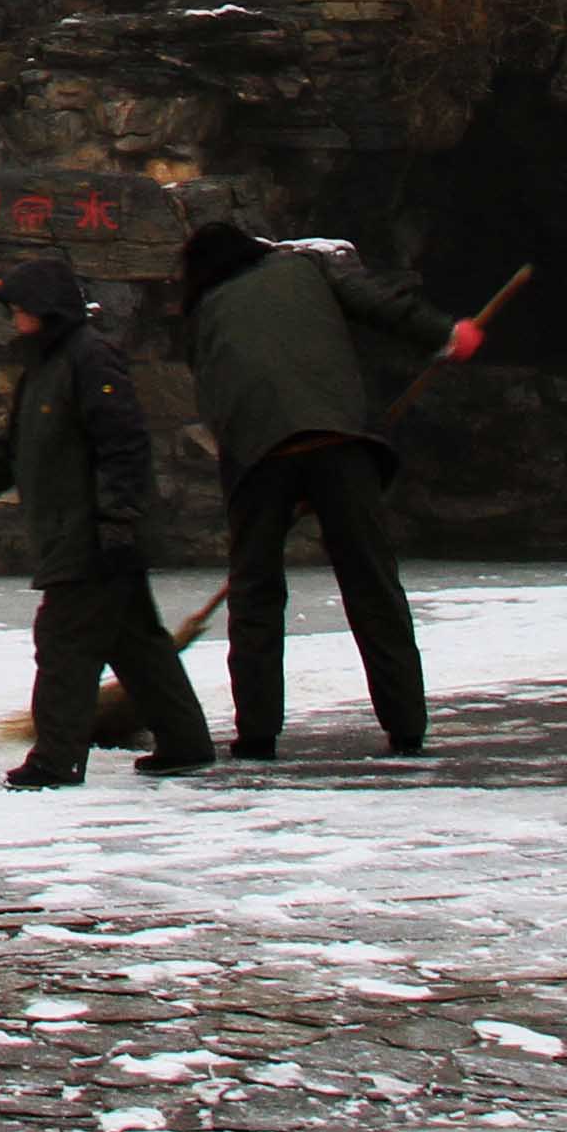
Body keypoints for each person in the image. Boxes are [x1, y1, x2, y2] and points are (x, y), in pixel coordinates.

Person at [175, 221, 476, 760]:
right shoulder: (305, 267)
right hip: (339, 445)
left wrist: (251, 490)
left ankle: (257, 734)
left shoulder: (204, 312)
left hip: (259, 455)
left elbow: (219, 402)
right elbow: (377, 303)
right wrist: (445, 334)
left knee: (255, 594)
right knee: (371, 586)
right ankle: (406, 726)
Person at [0, 256, 214, 787]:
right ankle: (184, 743)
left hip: (92, 533)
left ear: (46, 311)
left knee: (63, 641)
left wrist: (115, 520)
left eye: (20, 311)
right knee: (136, 643)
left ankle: (56, 759)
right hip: (74, 531)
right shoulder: (43, 368)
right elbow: (15, 447)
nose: (15, 322)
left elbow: (123, 445)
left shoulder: (92, 360)